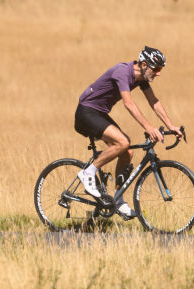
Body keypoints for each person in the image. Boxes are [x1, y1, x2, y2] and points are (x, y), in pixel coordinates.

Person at [73, 45, 183, 220]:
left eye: (161, 69)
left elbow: (153, 101)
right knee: (122, 142)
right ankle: (87, 173)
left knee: (128, 151)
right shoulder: (122, 72)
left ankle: (118, 199)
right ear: (145, 64)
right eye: (157, 68)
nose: (159, 73)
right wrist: (148, 127)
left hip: (99, 113)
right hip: (86, 112)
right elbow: (128, 103)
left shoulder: (141, 79)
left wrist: (171, 125)